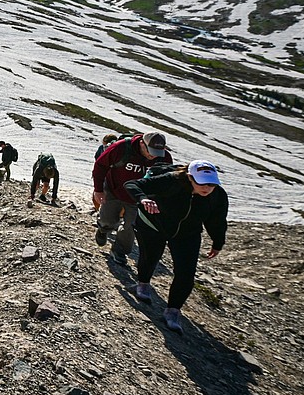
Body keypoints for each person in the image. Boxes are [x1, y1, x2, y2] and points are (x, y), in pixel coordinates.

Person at [124, 160, 228, 332]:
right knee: (150, 257)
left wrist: (218, 242)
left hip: (188, 233)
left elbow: (217, 221)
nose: (207, 188)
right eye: (202, 182)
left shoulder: (218, 195)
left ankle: (173, 311)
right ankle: (143, 284)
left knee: (186, 274)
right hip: (154, 224)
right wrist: (143, 199)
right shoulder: (172, 180)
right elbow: (132, 184)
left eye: (211, 184)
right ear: (190, 177)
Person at [92, 132, 171, 265]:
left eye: (157, 152)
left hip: (140, 198)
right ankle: (103, 229)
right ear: (142, 143)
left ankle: (119, 251)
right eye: (150, 151)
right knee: (107, 219)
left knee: (132, 226)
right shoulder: (121, 148)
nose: (153, 155)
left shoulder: (164, 158)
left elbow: (165, 181)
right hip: (114, 190)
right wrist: (98, 190)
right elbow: (100, 165)